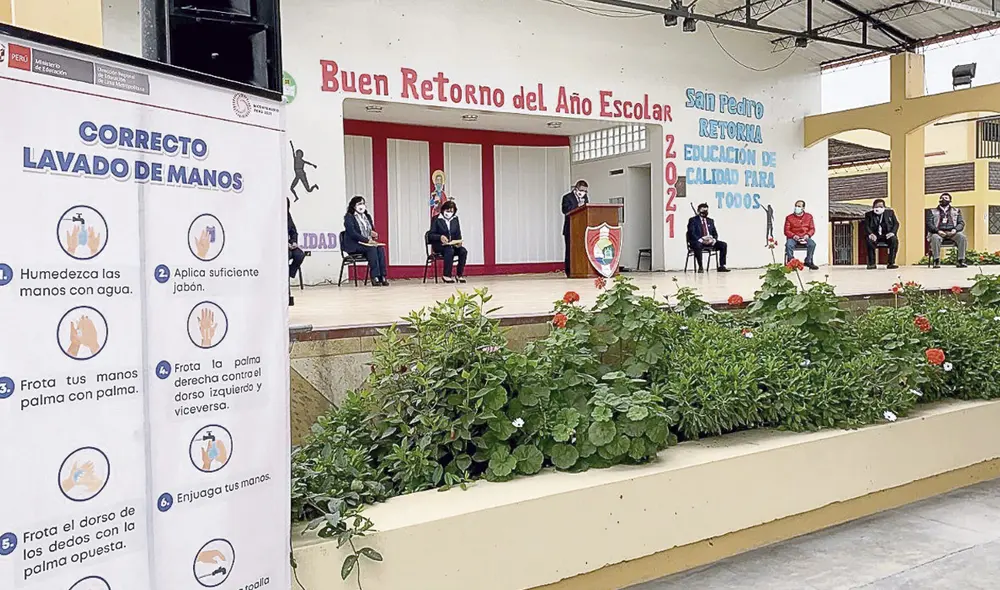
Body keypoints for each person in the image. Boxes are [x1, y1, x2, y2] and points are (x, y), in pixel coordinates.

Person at [343, 196, 389, 286]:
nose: (362, 206)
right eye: (359, 204)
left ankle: (382, 276)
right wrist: (366, 240)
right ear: (354, 206)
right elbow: (352, 233)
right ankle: (374, 277)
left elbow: (371, 229)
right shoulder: (349, 217)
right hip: (355, 244)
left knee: (380, 249)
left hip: (367, 243)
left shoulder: (366, 216)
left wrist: (373, 234)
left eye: (363, 203)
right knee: (371, 249)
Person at [429, 200, 468, 283]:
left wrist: (459, 242)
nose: (449, 213)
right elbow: (430, 235)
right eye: (448, 211)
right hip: (440, 246)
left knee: (463, 251)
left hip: (452, 245)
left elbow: (458, 233)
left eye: (451, 211)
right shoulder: (436, 219)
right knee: (449, 250)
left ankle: (459, 275)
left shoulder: (455, 219)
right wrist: (440, 237)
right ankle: (446, 275)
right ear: (443, 210)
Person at [927, 192, 967, 269]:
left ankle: (961, 260)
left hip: (952, 232)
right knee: (935, 237)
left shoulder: (956, 210)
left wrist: (955, 230)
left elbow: (961, 223)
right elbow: (929, 224)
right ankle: (936, 260)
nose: (943, 199)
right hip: (938, 232)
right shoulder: (932, 211)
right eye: (942, 198)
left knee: (962, 237)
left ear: (950, 201)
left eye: (946, 198)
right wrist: (937, 231)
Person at [686, 203, 730, 273]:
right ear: (698, 211)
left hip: (709, 241)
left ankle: (722, 266)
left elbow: (715, 233)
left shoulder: (710, 221)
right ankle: (700, 267)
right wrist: (701, 240)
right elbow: (691, 233)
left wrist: (713, 240)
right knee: (698, 245)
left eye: (706, 211)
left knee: (723, 245)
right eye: (703, 211)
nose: (705, 213)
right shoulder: (693, 220)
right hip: (698, 241)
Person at [561, 180, 589, 277]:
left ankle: (581, 269)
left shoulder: (585, 198)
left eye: (585, 191)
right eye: (581, 190)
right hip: (570, 228)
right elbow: (565, 210)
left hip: (582, 228)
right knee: (570, 250)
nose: (583, 193)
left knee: (581, 249)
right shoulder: (567, 197)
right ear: (576, 189)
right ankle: (569, 271)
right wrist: (578, 206)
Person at [863, 198, 899, 270]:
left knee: (894, 240)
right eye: (876, 206)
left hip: (887, 235)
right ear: (873, 207)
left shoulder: (890, 213)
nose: (878, 208)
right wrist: (870, 234)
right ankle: (872, 263)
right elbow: (866, 226)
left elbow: (896, 224)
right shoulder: (868, 215)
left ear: (884, 207)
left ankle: (891, 263)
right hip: (875, 236)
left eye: (880, 206)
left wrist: (892, 232)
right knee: (869, 241)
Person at [783, 200, 819, 270]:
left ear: (803, 208)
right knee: (788, 244)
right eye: (796, 206)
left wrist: (808, 235)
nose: (797, 207)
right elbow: (786, 230)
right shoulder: (789, 217)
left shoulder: (809, 216)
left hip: (805, 237)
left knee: (812, 244)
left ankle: (808, 261)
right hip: (793, 237)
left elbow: (812, 229)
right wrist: (793, 235)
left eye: (799, 206)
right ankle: (791, 262)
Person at [288, 199, 307, 279]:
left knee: (300, 255)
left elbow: (293, 231)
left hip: (289, 244)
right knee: (286, 255)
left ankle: (289, 273)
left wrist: (294, 242)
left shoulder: (288, 215)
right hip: (279, 244)